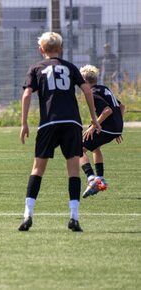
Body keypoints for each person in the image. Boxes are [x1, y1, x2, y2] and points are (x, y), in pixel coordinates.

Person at [19, 32, 101, 232]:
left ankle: (28, 214)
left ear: (41, 50)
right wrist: (93, 118)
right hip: (72, 122)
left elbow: (27, 94)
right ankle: (74, 217)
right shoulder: (70, 67)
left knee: (38, 169)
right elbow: (88, 91)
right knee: (73, 169)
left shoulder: (36, 68)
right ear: (61, 49)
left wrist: (24, 123)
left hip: (49, 122)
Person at [79, 65, 125, 198]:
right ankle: (100, 179)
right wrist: (118, 128)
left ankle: (91, 178)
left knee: (77, 148)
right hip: (114, 127)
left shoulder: (92, 93)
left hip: (106, 127)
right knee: (95, 147)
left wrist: (94, 125)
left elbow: (107, 110)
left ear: (85, 81)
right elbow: (121, 106)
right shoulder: (104, 89)